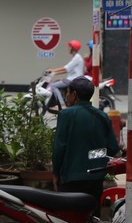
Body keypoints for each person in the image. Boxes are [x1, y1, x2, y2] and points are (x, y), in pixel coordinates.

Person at [52, 76, 123, 208]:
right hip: (95, 178)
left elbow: (59, 148)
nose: (66, 95)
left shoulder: (66, 115)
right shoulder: (102, 116)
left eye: (67, 92)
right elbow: (112, 148)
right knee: (92, 218)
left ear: (74, 95)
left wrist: (56, 173)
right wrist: (92, 156)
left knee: (70, 218)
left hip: (71, 178)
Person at [46, 39, 87, 110]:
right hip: (73, 78)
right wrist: (55, 73)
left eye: (69, 47)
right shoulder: (76, 57)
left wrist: (52, 70)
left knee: (53, 86)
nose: (68, 48)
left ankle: (62, 105)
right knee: (57, 82)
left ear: (72, 48)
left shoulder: (77, 57)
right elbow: (68, 70)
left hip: (74, 80)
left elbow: (66, 68)